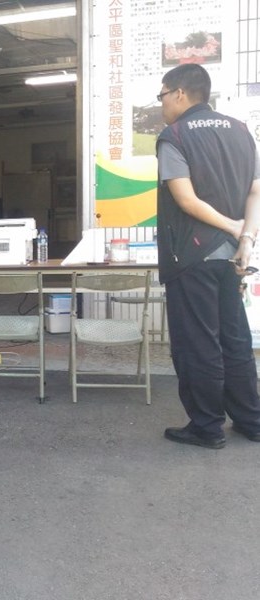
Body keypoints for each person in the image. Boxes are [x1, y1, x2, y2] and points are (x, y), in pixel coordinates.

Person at [155, 63, 260, 449]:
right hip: (232, 257)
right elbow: (255, 192)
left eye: (162, 95)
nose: (162, 104)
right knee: (234, 339)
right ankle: (252, 419)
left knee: (197, 343)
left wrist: (234, 230)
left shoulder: (174, 135)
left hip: (191, 256)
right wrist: (245, 238)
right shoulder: (241, 130)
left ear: (180, 93)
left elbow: (185, 200)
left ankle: (206, 427)